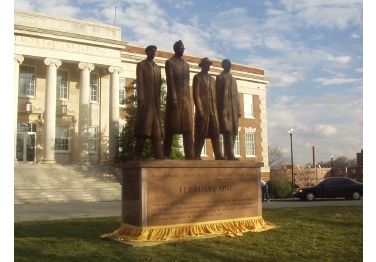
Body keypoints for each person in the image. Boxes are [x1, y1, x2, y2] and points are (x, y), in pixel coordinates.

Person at [163, 40, 195, 160]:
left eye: (183, 48)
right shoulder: (170, 63)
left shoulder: (186, 65)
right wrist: (174, 97)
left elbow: (187, 83)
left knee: (187, 129)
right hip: (174, 100)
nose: (182, 50)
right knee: (170, 128)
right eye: (180, 48)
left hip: (186, 100)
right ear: (175, 49)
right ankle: (165, 154)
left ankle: (190, 155)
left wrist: (188, 100)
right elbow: (170, 81)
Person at [133, 45, 166, 161]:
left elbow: (159, 87)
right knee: (143, 130)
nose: (153, 53)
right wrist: (141, 99)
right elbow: (140, 82)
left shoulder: (157, 68)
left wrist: (159, 102)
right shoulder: (141, 65)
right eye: (151, 51)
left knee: (156, 130)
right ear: (146, 52)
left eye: (154, 51)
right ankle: (137, 155)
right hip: (145, 103)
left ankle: (158, 154)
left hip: (155, 104)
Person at [193, 57, 226, 160]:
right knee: (201, 134)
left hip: (213, 112)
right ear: (202, 66)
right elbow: (196, 94)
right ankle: (196, 154)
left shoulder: (213, 80)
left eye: (209, 64)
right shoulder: (197, 77)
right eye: (206, 64)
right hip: (203, 111)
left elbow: (216, 96)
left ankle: (218, 154)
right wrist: (199, 109)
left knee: (216, 133)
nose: (208, 66)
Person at [216, 59, 242, 160]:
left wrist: (239, 110)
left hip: (234, 110)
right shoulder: (220, 77)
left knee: (234, 131)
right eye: (227, 64)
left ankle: (229, 153)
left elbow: (237, 96)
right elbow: (218, 95)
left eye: (230, 64)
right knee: (227, 131)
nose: (229, 65)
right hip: (224, 109)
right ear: (223, 65)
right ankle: (229, 154)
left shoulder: (234, 80)